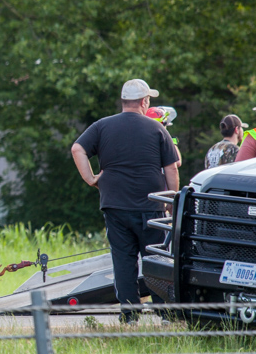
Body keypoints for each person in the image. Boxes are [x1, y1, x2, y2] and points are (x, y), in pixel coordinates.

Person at [71, 79, 180, 323]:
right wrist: (171, 200)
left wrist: (91, 178)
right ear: (144, 102)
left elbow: (77, 149)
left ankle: (130, 316)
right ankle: (165, 315)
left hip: (115, 205)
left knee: (123, 261)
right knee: (156, 260)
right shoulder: (157, 129)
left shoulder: (102, 126)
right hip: (151, 206)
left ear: (124, 101)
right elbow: (172, 168)